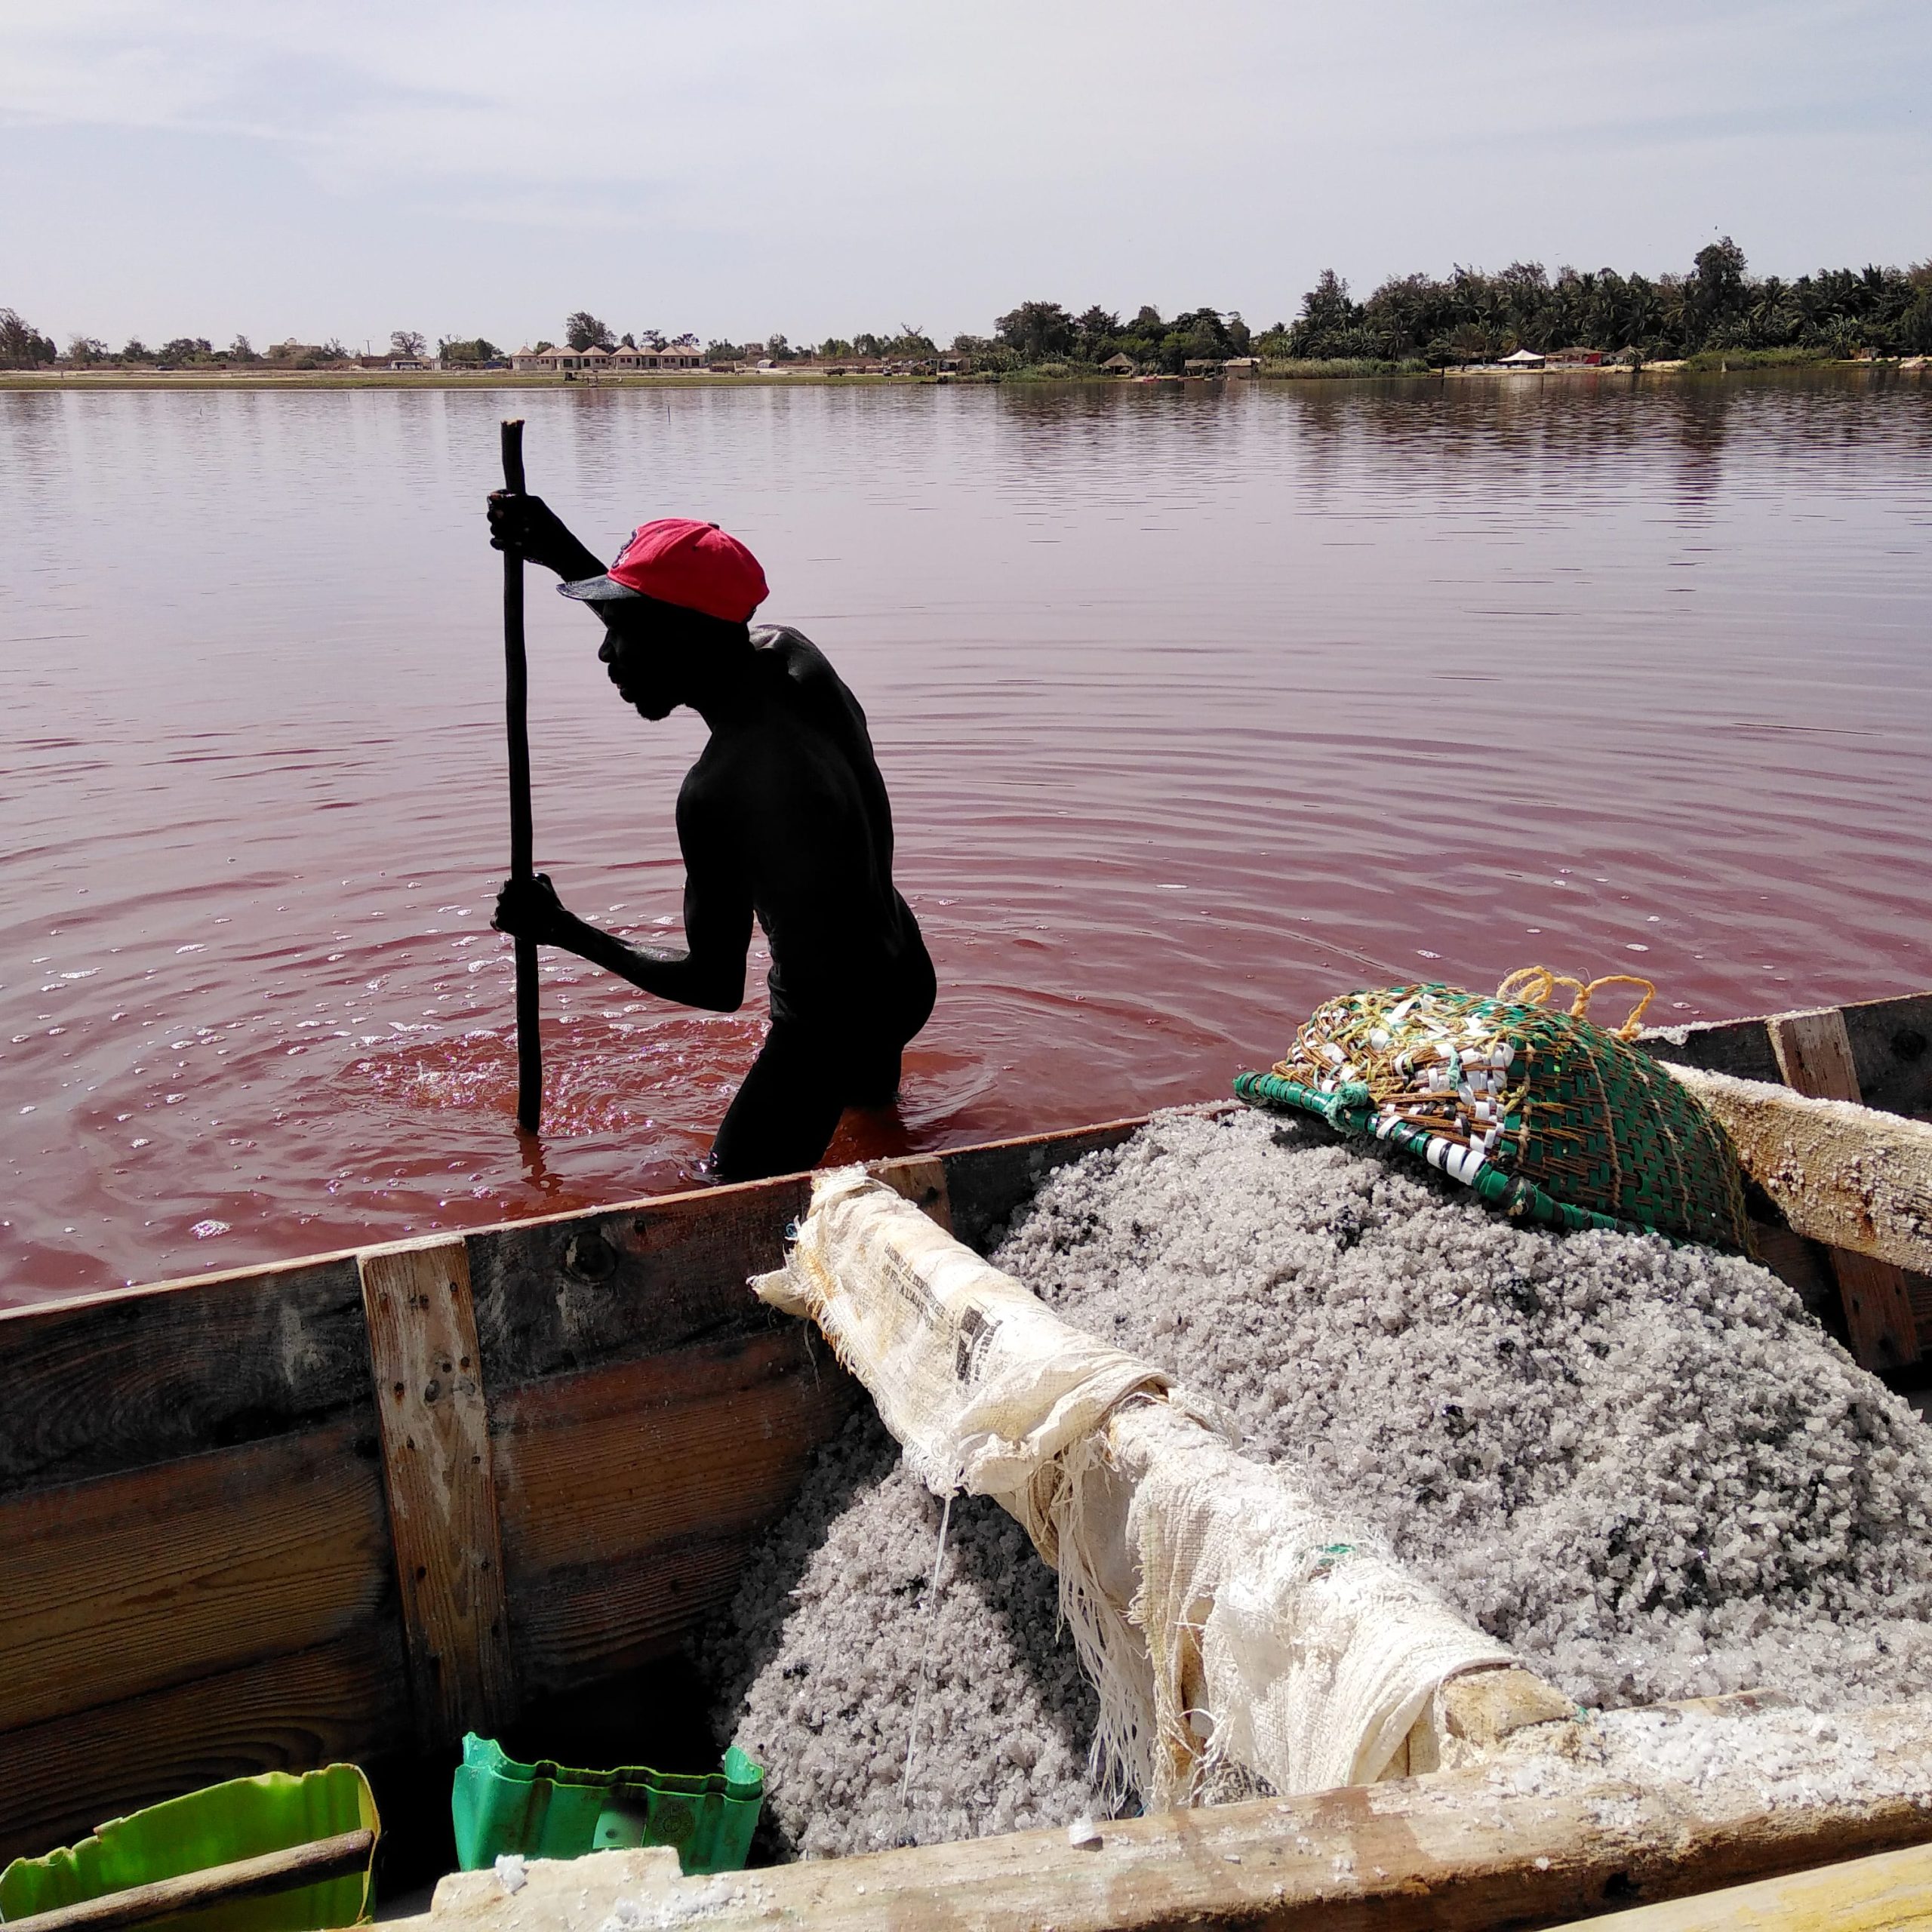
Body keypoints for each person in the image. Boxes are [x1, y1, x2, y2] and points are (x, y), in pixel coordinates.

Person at [486, 495, 935, 1182]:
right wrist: (560, 552)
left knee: (722, 1195)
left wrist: (563, 929)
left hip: (828, 1025)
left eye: (621, 632)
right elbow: (682, 618)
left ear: (681, 639)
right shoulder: (795, 661)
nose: (606, 653)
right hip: (902, 975)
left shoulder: (719, 790)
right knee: (876, 1140)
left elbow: (715, 984)